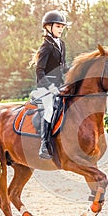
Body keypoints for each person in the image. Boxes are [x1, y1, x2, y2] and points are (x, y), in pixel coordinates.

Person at [31, 10, 68, 159]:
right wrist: (50, 87)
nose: (61, 29)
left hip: (58, 86)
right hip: (45, 87)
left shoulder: (62, 44)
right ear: (48, 27)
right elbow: (39, 71)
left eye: (62, 27)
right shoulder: (45, 46)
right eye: (58, 26)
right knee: (49, 109)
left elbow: (63, 68)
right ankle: (44, 144)